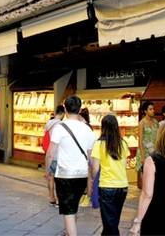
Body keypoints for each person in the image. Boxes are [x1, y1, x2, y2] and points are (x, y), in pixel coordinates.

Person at [45, 96, 96, 236]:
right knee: (72, 208)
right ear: (79, 109)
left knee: (69, 212)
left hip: (64, 175)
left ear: (65, 108)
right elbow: (91, 158)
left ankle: (70, 232)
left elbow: (50, 153)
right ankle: (68, 232)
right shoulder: (88, 129)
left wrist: (47, 171)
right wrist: (91, 178)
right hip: (82, 175)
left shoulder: (60, 127)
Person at [89, 115, 129, 235]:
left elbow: (95, 168)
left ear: (103, 127)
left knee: (110, 223)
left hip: (107, 186)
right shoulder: (123, 143)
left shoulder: (99, 144)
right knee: (113, 221)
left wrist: (94, 180)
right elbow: (124, 164)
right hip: (122, 186)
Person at [44, 105, 64, 206]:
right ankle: (60, 200)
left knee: (50, 177)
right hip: (59, 155)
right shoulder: (62, 124)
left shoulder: (48, 123)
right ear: (63, 113)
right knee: (59, 179)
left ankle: (52, 197)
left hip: (49, 153)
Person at [135, 101, 159, 187]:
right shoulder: (142, 123)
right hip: (144, 151)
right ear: (145, 111)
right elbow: (140, 140)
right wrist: (142, 156)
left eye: (153, 109)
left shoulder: (156, 122)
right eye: (150, 109)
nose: (153, 111)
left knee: (154, 174)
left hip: (154, 151)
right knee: (144, 175)